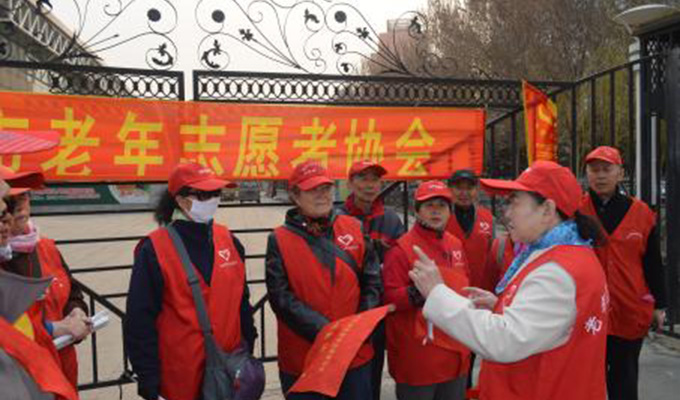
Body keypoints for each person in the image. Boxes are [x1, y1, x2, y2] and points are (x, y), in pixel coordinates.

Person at [409, 161, 609, 400]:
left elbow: (503, 340)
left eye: (515, 202)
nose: (507, 213)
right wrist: (500, 305)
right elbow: (548, 321)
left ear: (547, 209)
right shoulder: (565, 255)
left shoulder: (557, 271)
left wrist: (437, 294)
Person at [124, 162, 257, 400]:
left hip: (229, 374)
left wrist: (248, 351)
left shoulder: (229, 241)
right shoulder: (154, 250)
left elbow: (242, 304)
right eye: (203, 195)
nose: (212, 200)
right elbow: (139, 320)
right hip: (180, 378)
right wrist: (148, 379)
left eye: (216, 193)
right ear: (181, 200)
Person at [265, 160, 382, 400]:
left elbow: (372, 281)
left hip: (354, 354)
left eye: (326, 188)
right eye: (312, 189)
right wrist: (326, 331)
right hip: (305, 357)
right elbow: (280, 298)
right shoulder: (279, 239)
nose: (322, 195)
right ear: (295, 196)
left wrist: (358, 328)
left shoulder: (355, 227)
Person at [579, 146, 667, 400]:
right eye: (594, 170)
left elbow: (653, 262)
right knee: (585, 380)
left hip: (629, 309)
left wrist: (659, 305)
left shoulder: (641, 213)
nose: (600, 175)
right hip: (588, 313)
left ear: (620, 173)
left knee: (624, 381)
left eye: (606, 169)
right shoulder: (576, 212)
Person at [383, 180, 470, 400]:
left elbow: (465, 286)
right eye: (429, 205)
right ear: (417, 211)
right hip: (419, 358)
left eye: (441, 205)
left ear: (450, 211)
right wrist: (420, 293)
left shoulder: (456, 244)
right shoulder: (401, 249)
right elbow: (390, 298)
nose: (435, 211)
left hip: (455, 351)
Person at [3, 184, 91, 388]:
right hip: (21, 375)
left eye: (25, 196)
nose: (21, 206)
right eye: (12, 202)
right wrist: (53, 329)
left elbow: (72, 292)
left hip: (61, 367)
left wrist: (77, 312)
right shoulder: (4, 257)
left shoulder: (45, 246)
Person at [337, 159, 405, 400]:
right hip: (343, 313)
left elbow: (401, 264)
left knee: (372, 376)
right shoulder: (335, 218)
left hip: (379, 313)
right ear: (350, 183)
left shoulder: (391, 220)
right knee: (341, 376)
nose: (369, 185)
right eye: (363, 179)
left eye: (374, 179)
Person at [445, 169, 494, 291]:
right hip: (449, 290)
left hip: (480, 290)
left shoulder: (488, 218)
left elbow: (493, 256)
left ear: (476, 190)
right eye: (459, 188)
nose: (464, 193)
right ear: (449, 189)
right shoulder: (441, 218)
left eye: (469, 188)